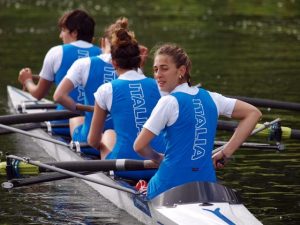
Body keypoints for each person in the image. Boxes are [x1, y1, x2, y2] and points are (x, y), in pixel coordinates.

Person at [133, 43, 262, 200]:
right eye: (155, 69)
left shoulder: (169, 102)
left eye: (164, 68)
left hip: (168, 187)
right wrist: (226, 152)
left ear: (181, 71)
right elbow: (253, 113)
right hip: (207, 187)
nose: (158, 74)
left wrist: (158, 158)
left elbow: (139, 146)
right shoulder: (212, 98)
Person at [88, 28, 166, 180]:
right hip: (159, 165)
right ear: (139, 60)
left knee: (109, 133)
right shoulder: (161, 86)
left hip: (124, 168)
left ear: (114, 62)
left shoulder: (106, 90)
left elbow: (92, 141)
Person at [53, 18, 132, 156]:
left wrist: (81, 109)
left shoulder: (84, 63)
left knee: (76, 119)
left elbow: (58, 96)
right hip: (120, 143)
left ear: (102, 42)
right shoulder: (134, 71)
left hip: (89, 142)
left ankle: (78, 150)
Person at [18, 9, 101, 135]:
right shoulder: (104, 55)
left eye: (63, 30)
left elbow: (38, 94)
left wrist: (27, 80)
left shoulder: (56, 52)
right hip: (97, 127)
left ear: (74, 32)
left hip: (62, 125)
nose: (60, 36)